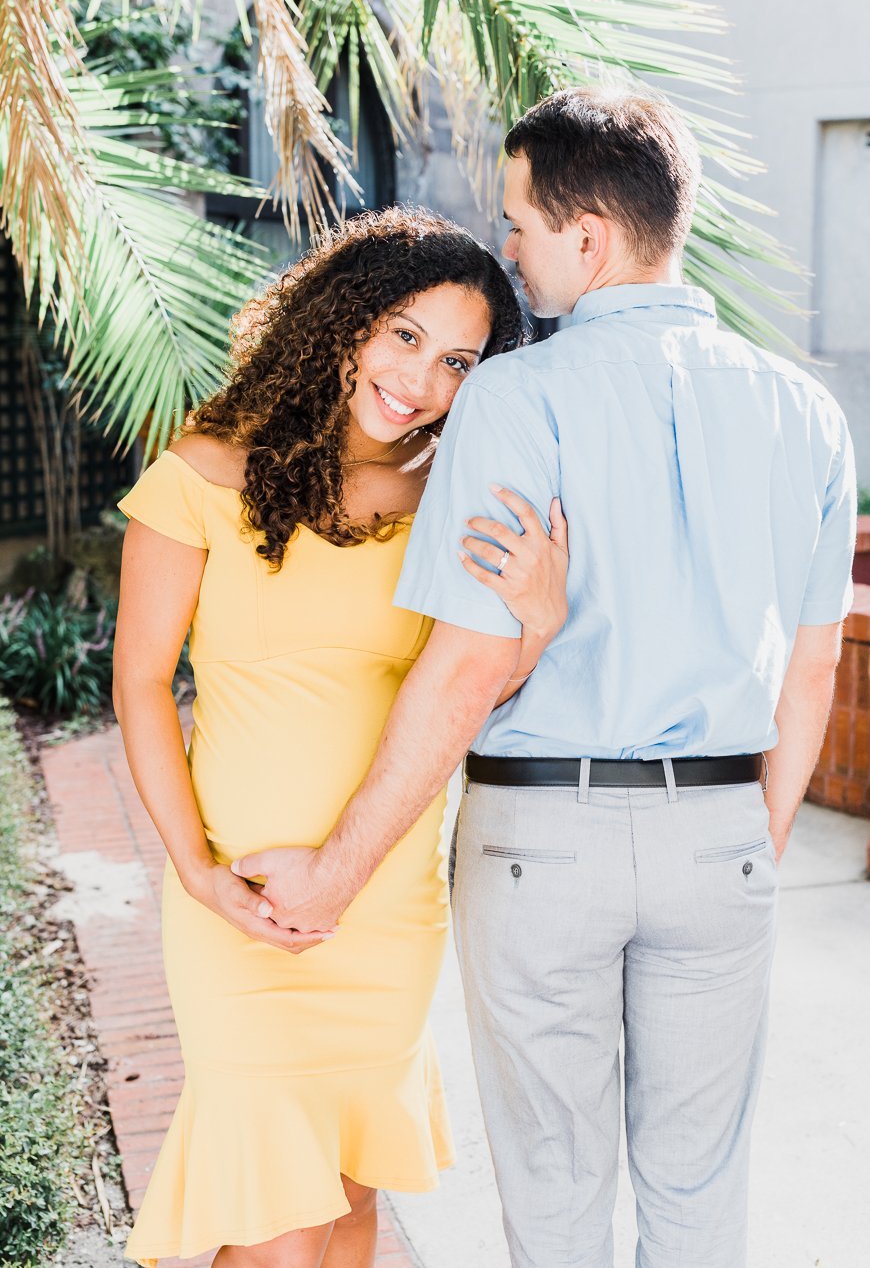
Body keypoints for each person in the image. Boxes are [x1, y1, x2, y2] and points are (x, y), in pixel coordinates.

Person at [239, 88, 857, 1268]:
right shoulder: (805, 414)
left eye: (519, 223)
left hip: (540, 843)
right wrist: (745, 841)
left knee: (556, 1200)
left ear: (590, 238)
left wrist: (332, 875)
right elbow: (814, 663)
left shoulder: (516, 399)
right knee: (699, 1196)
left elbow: (468, 667)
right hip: (720, 830)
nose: (509, 250)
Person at [111, 206, 570, 1268]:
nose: (419, 378)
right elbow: (138, 685)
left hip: (383, 902)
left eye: (457, 360)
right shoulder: (204, 468)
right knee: (279, 1226)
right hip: (242, 901)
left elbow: (461, 701)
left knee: (353, 1205)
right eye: (403, 334)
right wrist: (194, 871)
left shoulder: (454, 501)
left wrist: (535, 630)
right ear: (343, 320)